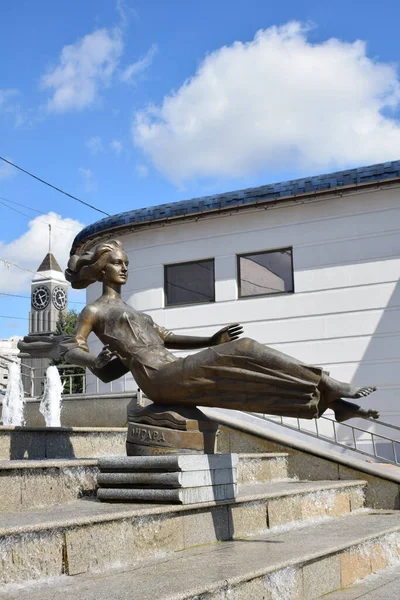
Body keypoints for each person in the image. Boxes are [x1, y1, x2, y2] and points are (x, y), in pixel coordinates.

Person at [21, 240, 379, 422]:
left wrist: (210, 341)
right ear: (100, 270)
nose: (124, 269)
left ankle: (334, 405)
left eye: (127, 264)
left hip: (171, 367)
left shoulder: (134, 312)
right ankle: (326, 382)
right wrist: (94, 361)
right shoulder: (95, 310)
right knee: (246, 348)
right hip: (155, 376)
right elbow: (71, 347)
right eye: (117, 263)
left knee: (239, 377)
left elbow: (169, 337)